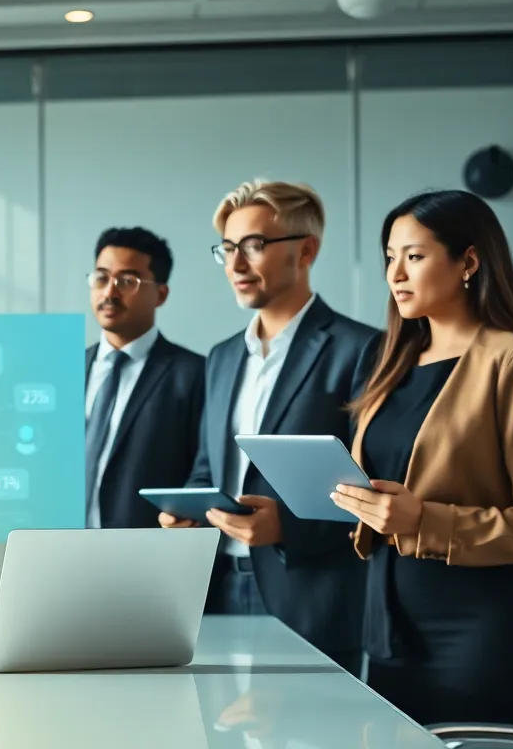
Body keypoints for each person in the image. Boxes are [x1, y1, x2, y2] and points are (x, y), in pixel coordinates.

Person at [331, 190, 513, 727]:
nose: (396, 273)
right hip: (389, 627)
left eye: (413, 256)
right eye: (389, 257)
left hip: (479, 635)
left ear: (468, 261)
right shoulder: (388, 361)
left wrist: (424, 519)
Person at [161, 180, 377, 675]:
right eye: (228, 249)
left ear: (306, 250)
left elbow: (377, 485)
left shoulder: (360, 350)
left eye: (254, 246)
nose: (236, 264)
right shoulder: (220, 358)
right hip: (217, 591)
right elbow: (205, 467)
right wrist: (187, 509)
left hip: (310, 594)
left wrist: (289, 527)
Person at [84, 227, 205, 529]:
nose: (109, 292)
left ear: (161, 294)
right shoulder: (63, 371)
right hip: (56, 552)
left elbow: (206, 469)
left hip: (148, 554)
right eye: (101, 278)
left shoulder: (195, 375)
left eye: (127, 281)